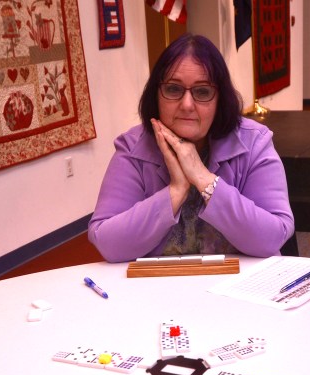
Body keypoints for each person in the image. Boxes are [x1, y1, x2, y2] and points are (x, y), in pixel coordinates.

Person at [88, 34, 294, 262]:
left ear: (220, 99)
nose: (187, 105)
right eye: (174, 89)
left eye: (203, 92)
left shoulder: (254, 142)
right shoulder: (133, 147)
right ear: (156, 95)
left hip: (238, 287)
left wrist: (204, 180)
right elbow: (107, 242)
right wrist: (176, 190)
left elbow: (273, 236)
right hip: (156, 290)